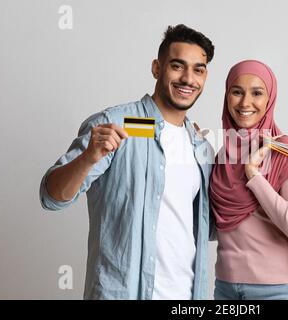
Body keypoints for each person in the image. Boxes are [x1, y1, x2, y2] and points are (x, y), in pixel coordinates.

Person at [39, 24, 215, 300]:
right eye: (177, 66)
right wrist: (88, 158)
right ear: (157, 68)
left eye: (198, 70)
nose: (188, 79)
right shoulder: (118, 124)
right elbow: (52, 196)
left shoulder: (200, 147)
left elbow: (208, 227)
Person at [210, 60, 288, 300]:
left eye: (257, 93)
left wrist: (253, 174)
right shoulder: (223, 155)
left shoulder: (284, 148)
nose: (245, 103)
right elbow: (217, 228)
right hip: (225, 287)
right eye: (237, 92)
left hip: (276, 290)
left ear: (270, 98)